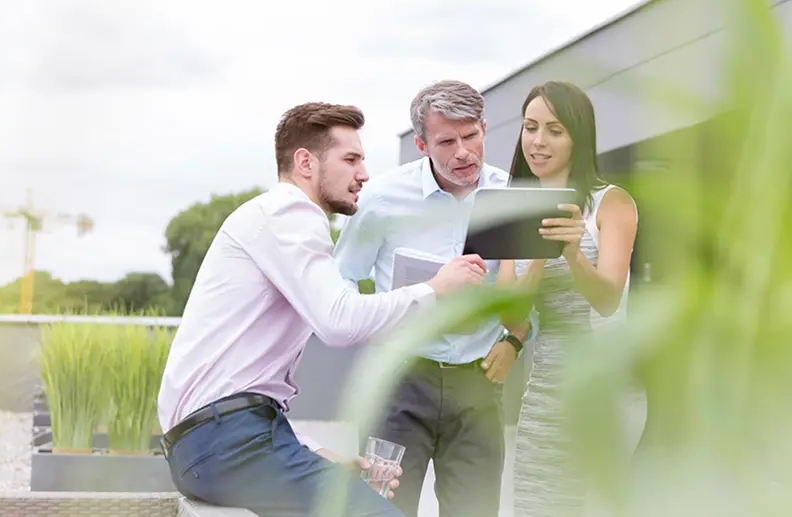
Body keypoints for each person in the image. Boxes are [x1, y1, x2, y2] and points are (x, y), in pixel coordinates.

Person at [156, 101, 489, 517]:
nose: (363, 174)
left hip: (219, 442)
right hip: (223, 443)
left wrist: (313, 457)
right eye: (350, 159)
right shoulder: (291, 212)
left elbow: (248, 387)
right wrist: (435, 289)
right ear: (305, 163)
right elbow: (339, 322)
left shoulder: (271, 220)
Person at [333, 80, 532, 517]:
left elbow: (529, 285)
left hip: (479, 385)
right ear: (422, 144)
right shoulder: (383, 199)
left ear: (484, 128)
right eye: (447, 141)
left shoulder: (513, 197)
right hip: (397, 385)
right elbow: (340, 282)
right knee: (381, 508)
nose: (463, 151)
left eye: (471, 135)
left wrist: (515, 340)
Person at [496, 81, 644, 517]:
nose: (538, 141)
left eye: (554, 130)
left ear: (578, 136)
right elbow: (511, 316)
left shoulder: (610, 203)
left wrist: (573, 252)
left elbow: (607, 301)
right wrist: (540, 254)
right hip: (544, 390)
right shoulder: (514, 209)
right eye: (530, 127)